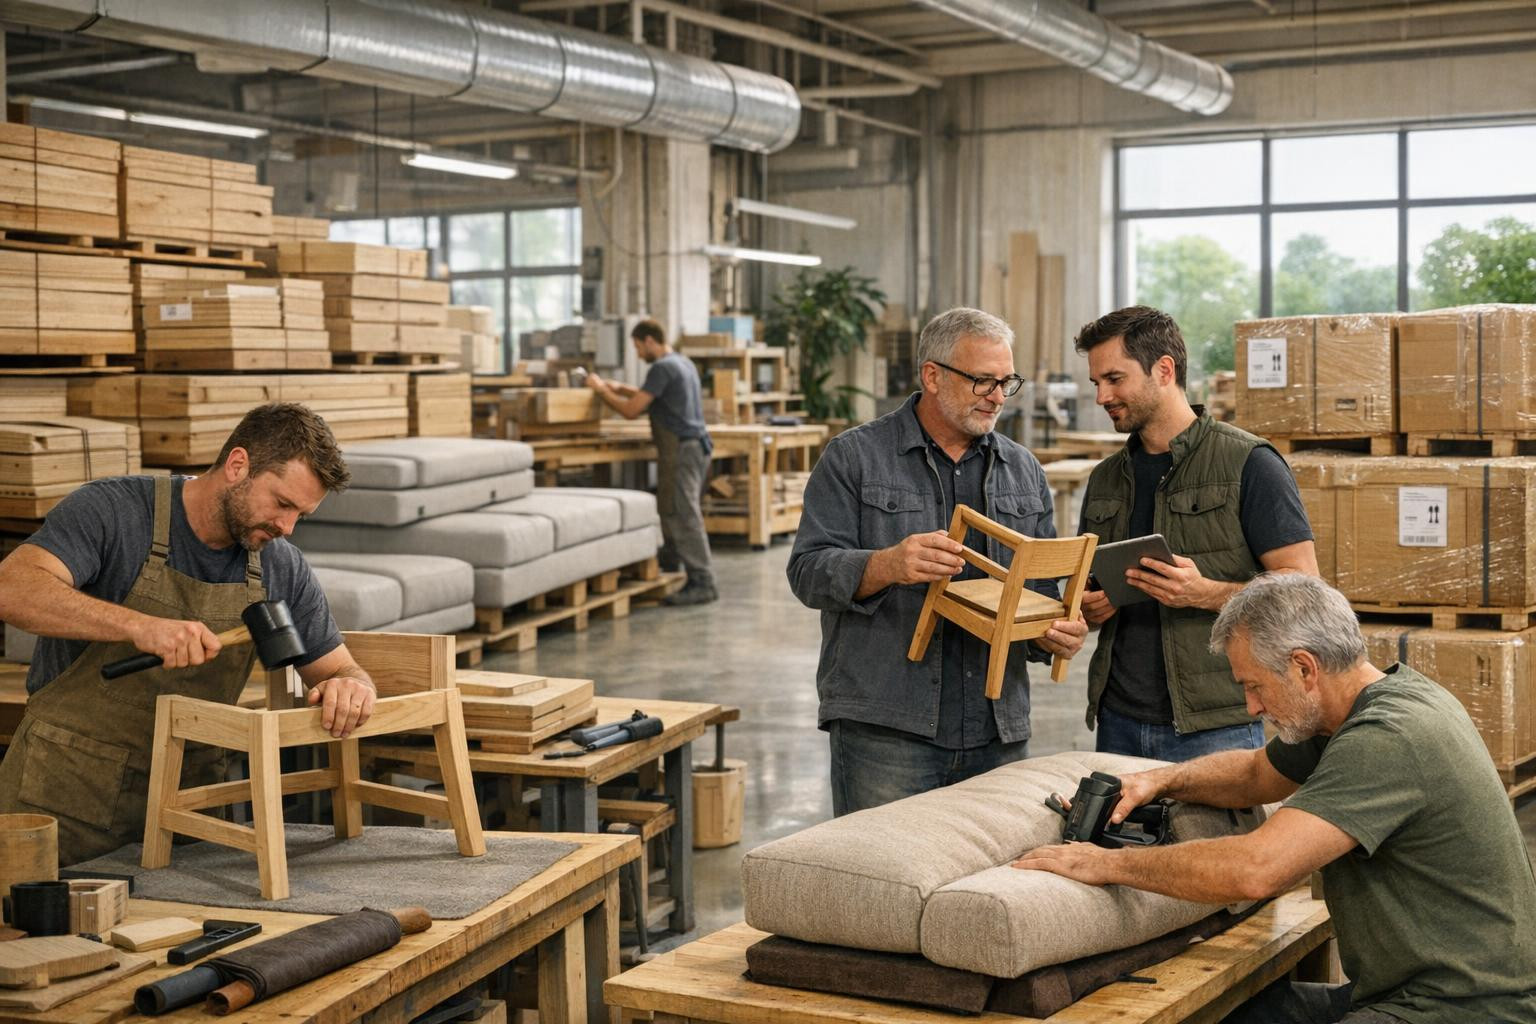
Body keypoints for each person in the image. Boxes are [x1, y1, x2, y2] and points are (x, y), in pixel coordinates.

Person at [1014, 573, 1536, 1024]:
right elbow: (1253, 775)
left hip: (1463, 1008)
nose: (1250, 705)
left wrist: (1106, 864)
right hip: (1411, 990)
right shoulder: (1358, 706)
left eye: (1255, 685)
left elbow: (1256, 869)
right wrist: (1161, 781)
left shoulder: (1388, 736)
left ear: (1305, 668)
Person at [0, 403, 377, 866]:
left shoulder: (281, 565)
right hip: (66, 796)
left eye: (301, 514)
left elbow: (339, 666)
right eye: (282, 503)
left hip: (190, 812)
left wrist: (351, 687)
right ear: (238, 465)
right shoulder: (114, 511)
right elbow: (12, 588)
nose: (286, 527)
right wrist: (138, 625)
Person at [788, 307, 1088, 816]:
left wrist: (1054, 631)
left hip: (997, 729)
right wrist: (886, 564)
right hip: (888, 729)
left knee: (987, 889)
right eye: (983, 381)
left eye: (1006, 382)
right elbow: (808, 571)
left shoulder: (1023, 470)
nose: (998, 396)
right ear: (932, 375)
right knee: (880, 881)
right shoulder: (854, 458)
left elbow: (1043, 597)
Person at [1074, 306, 1317, 760]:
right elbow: (1085, 591)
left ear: (1163, 370)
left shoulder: (1249, 463)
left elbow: (1304, 589)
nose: (1101, 396)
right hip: (1118, 720)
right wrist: (1090, 607)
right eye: (1096, 383)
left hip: (1215, 724)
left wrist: (1204, 592)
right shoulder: (1105, 479)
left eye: (1114, 379)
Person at [586, 319, 717, 606]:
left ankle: (702, 581)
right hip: (694, 447)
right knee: (670, 506)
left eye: (637, 347)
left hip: (683, 449)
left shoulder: (661, 367)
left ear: (649, 341)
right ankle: (671, 563)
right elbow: (657, 399)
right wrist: (619, 387)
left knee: (684, 513)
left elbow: (632, 411)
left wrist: (600, 390)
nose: (637, 354)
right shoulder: (682, 363)